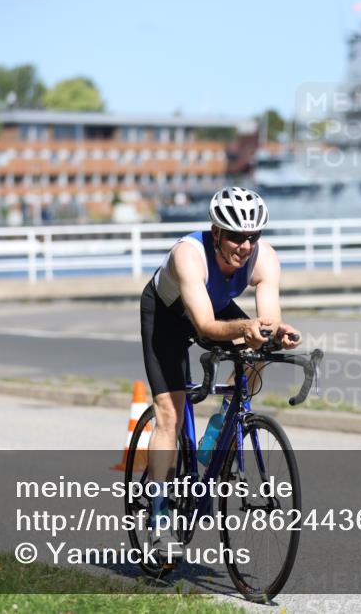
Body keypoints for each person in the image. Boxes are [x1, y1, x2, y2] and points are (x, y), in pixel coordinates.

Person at [139, 187, 300, 563]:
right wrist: (246, 328)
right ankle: (159, 515)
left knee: (260, 346)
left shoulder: (265, 259)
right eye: (235, 237)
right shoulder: (188, 255)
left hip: (211, 308)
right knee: (170, 415)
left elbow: (267, 321)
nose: (244, 246)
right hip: (168, 316)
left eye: (252, 237)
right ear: (216, 233)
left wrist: (279, 332)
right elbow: (207, 326)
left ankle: (218, 432)